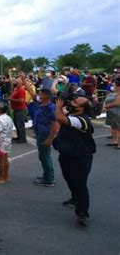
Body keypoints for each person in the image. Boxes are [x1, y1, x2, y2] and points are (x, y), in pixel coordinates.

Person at [52, 96, 96, 226]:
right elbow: (58, 121)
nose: (71, 102)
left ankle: (82, 213)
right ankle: (75, 198)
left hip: (81, 157)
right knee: (69, 178)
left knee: (80, 183)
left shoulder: (82, 120)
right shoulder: (70, 114)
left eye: (75, 102)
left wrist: (58, 106)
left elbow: (60, 118)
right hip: (67, 154)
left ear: (81, 108)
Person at [25, 81, 57, 186]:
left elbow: (55, 125)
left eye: (41, 93)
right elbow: (31, 92)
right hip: (40, 132)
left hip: (45, 134)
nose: (39, 94)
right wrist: (24, 81)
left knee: (44, 156)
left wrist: (50, 138)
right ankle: (48, 175)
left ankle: (49, 178)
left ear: (46, 96)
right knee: (44, 156)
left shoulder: (50, 107)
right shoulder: (41, 102)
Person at [104, 77, 120, 148]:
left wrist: (107, 106)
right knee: (113, 127)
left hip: (117, 112)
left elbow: (117, 103)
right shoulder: (114, 93)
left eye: (114, 85)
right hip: (112, 112)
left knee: (118, 127)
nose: (113, 87)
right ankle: (114, 141)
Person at [10, 78, 27, 143]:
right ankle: (19, 136)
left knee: (20, 124)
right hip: (16, 109)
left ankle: (22, 138)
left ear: (19, 83)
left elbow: (21, 100)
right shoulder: (16, 89)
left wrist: (11, 100)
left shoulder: (21, 90)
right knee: (17, 123)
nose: (13, 82)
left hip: (20, 109)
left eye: (15, 81)